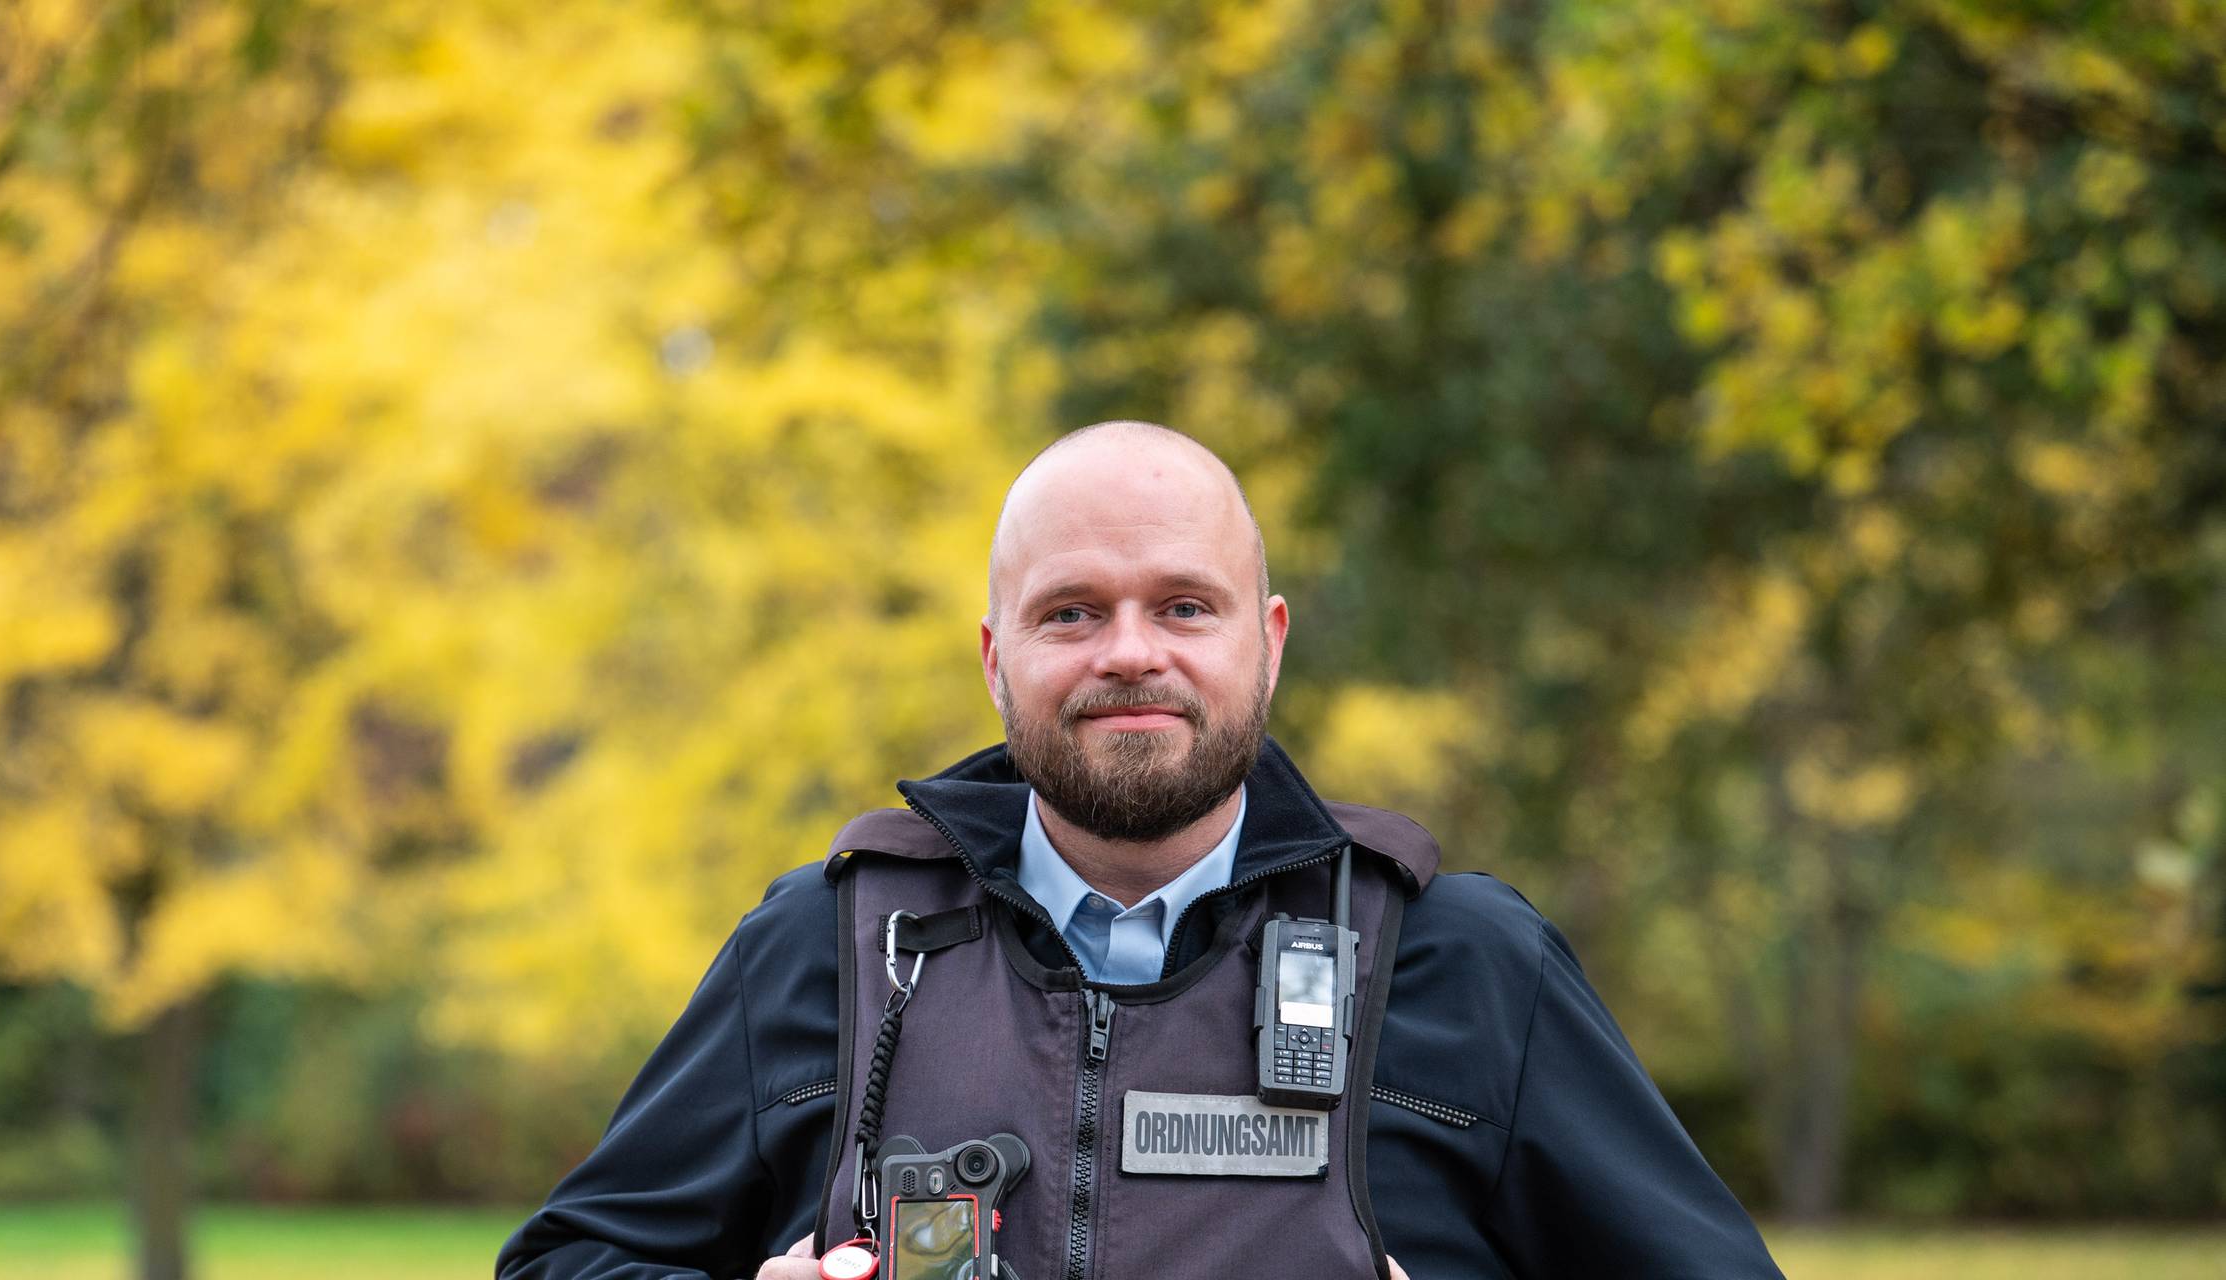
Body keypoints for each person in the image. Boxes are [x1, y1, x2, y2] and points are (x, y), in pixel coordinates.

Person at [498, 422, 1782, 1279]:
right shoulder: (826, 944)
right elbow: (559, 1262)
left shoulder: (1468, 961)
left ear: (1267, 641)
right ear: (997, 657)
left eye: (1183, 604)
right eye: (1072, 612)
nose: (1129, 651)